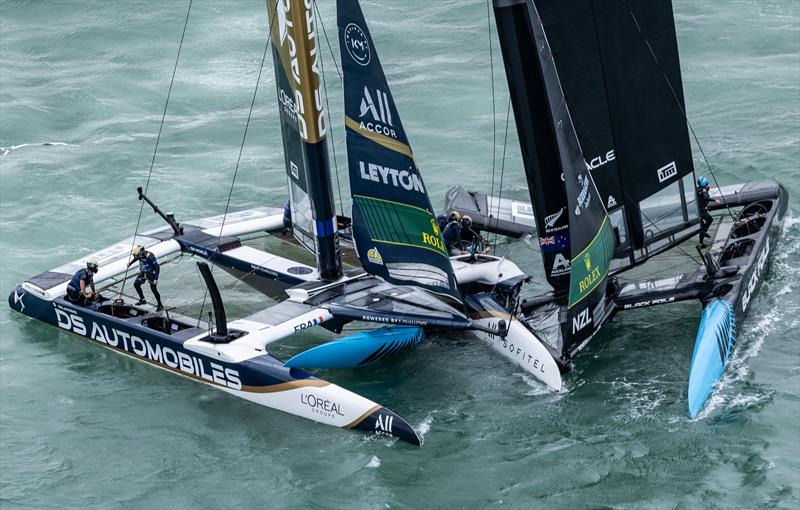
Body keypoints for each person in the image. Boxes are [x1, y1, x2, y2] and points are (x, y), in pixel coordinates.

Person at [128, 244, 163, 311]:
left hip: (151, 274)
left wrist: (156, 278)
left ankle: (160, 305)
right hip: (143, 272)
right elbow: (136, 258)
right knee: (136, 284)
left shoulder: (150, 256)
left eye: (138, 255)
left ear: (141, 253)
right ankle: (142, 300)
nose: (137, 257)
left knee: (153, 289)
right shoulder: (140, 255)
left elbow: (157, 267)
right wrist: (130, 263)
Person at [696, 176, 716, 248]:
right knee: (703, 227)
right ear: (705, 183)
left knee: (710, 220)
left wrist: (706, 190)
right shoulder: (703, 190)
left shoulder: (698, 189)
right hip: (702, 212)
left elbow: (701, 197)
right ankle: (701, 244)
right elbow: (706, 198)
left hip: (700, 210)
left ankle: (705, 232)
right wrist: (715, 200)